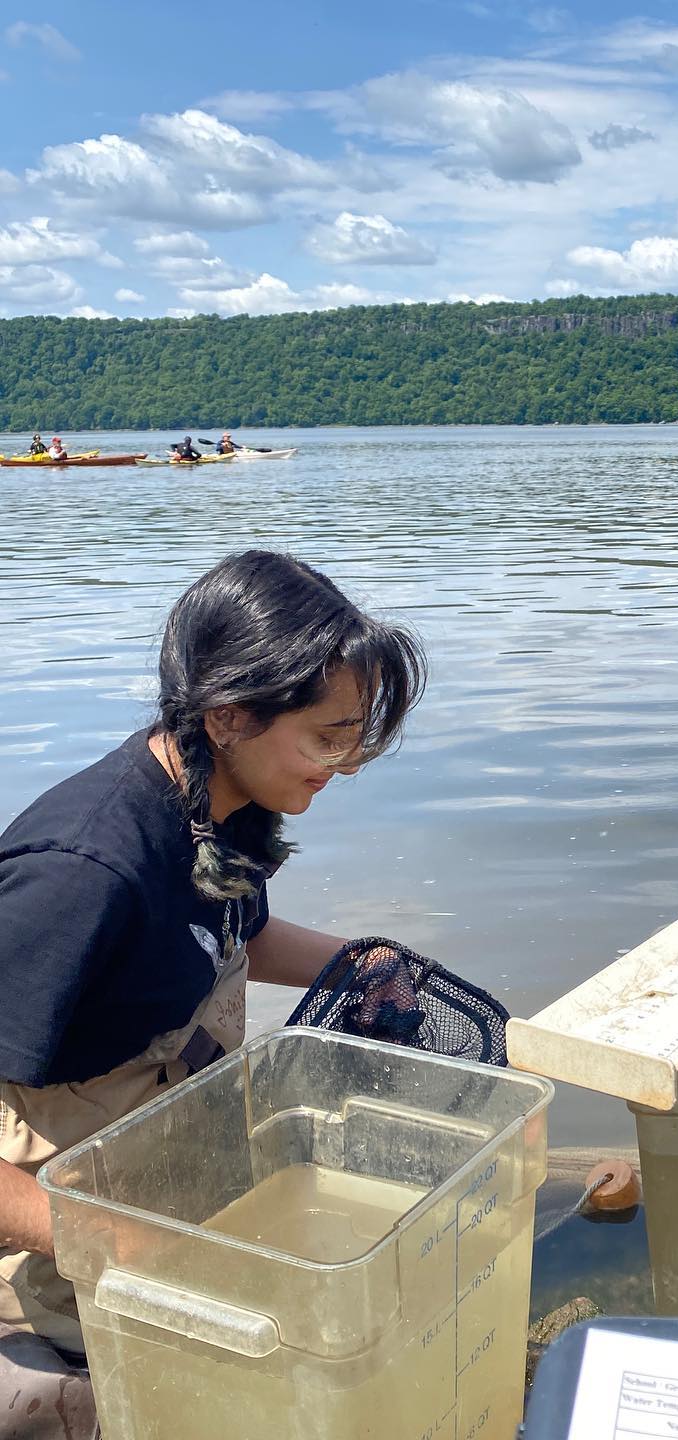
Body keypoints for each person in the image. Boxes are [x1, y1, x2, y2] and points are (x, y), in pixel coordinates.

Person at [0, 550, 427, 1433]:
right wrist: (113, 1242)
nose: (343, 764)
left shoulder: (218, 805)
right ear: (229, 713)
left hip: (151, 1174)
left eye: (355, 735)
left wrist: (362, 961)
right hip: (50, 1236)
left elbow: (236, 937)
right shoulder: (84, 874)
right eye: (327, 735)